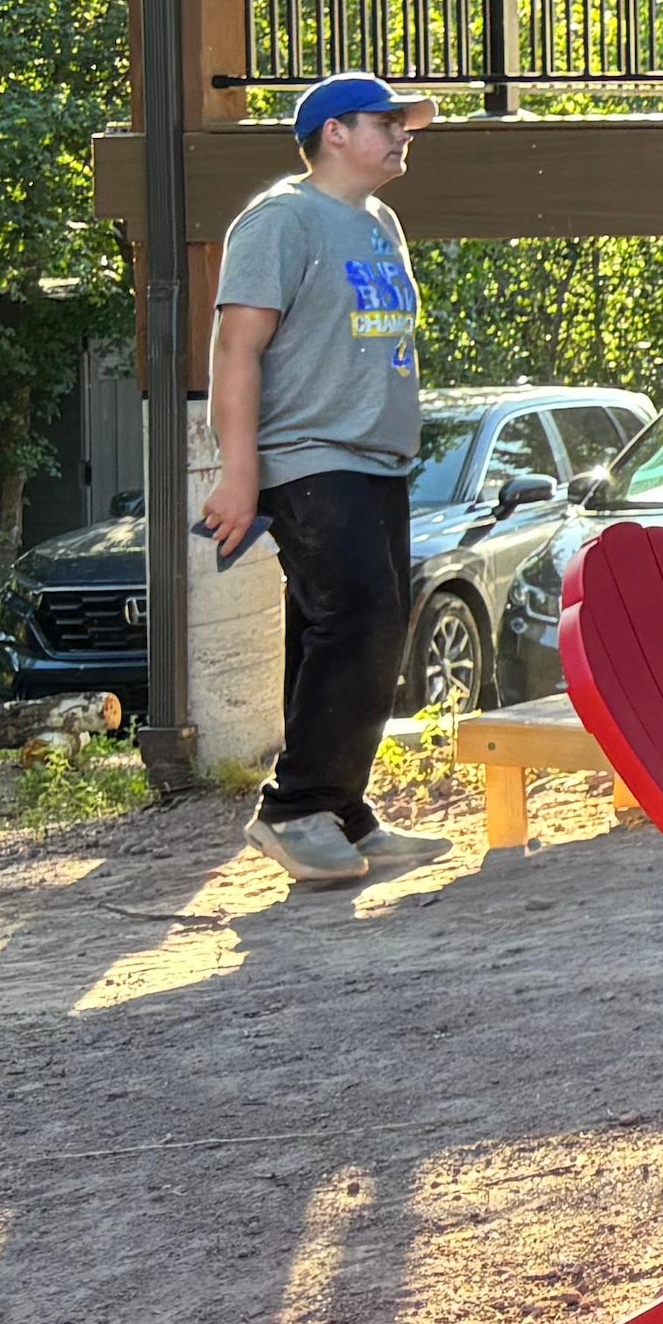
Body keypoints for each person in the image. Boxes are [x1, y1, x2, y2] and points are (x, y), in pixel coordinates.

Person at [196, 72, 454, 887]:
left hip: (375, 460)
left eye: (404, 123)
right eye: (387, 122)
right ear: (334, 133)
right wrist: (239, 473)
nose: (402, 134)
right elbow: (236, 349)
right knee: (361, 619)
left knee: (346, 628)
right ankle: (294, 809)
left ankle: (339, 810)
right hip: (309, 456)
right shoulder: (281, 219)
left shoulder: (380, 221)